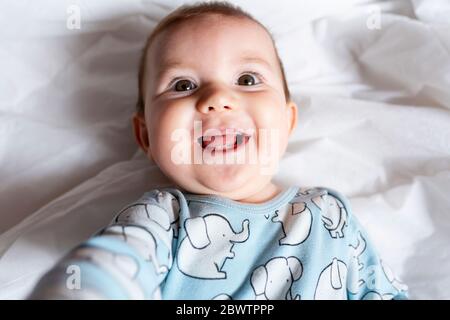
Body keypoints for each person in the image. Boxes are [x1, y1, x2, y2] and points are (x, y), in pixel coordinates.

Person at [29, 1, 408, 300]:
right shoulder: (161, 219)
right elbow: (115, 265)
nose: (217, 98)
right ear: (145, 137)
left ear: (287, 122)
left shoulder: (329, 214)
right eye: (182, 84)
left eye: (247, 79)